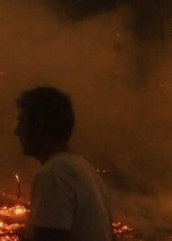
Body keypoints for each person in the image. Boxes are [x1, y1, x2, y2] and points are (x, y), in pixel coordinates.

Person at [14, 86, 114, 241]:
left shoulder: (52, 176)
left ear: (39, 127)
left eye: (22, 122)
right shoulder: (83, 168)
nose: (16, 131)